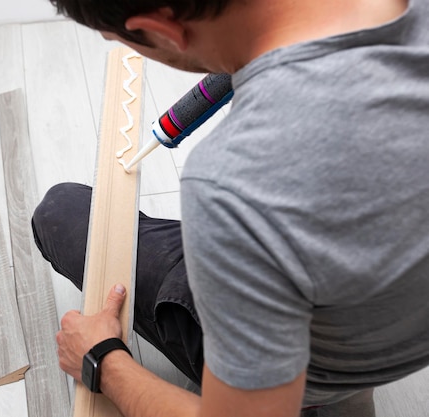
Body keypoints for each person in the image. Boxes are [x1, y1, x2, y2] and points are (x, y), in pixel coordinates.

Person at [31, 0, 429, 415]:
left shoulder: (234, 182)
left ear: (162, 29)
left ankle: (308, 392)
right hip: (400, 330)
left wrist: (102, 361)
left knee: (61, 212)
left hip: (315, 368)